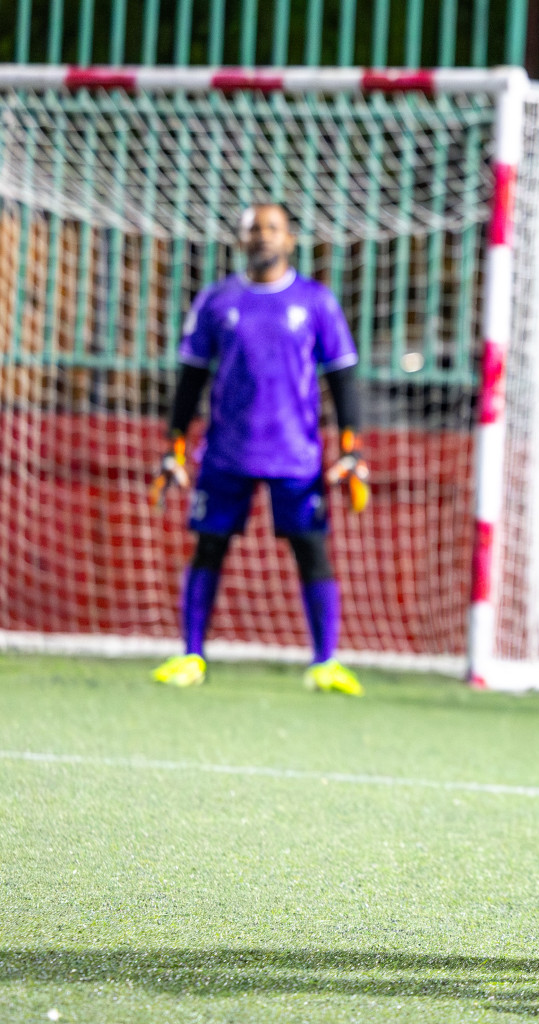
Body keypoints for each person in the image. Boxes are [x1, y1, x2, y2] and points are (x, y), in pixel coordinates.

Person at [149, 203, 370, 697]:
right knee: (208, 547)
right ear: (240, 240)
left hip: (296, 453)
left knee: (312, 550)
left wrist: (350, 449)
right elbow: (190, 378)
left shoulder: (316, 301)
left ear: (290, 240)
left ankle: (325, 662)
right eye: (253, 229)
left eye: (272, 228)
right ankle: (191, 655)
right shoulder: (216, 300)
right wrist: (174, 446)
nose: (262, 236)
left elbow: (342, 376)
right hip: (226, 452)